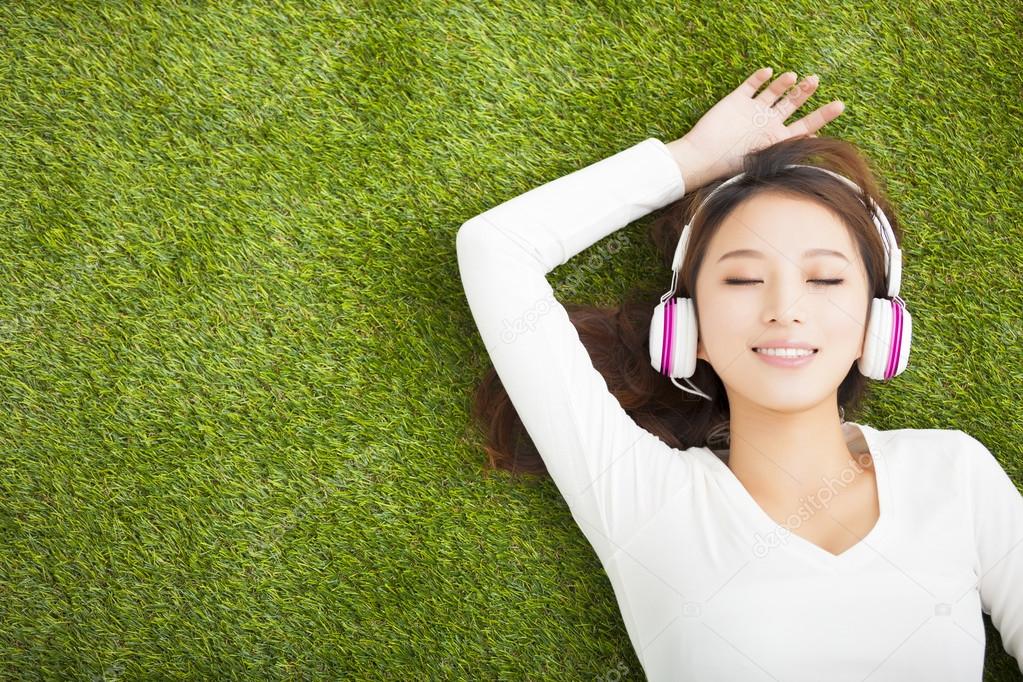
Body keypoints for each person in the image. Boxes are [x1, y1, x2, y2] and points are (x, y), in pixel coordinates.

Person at [455, 67, 1022, 680]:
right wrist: (691, 159)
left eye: (826, 279)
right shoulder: (642, 497)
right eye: (743, 279)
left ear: (877, 325)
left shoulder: (954, 475)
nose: (784, 307)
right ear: (685, 328)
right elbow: (496, 249)